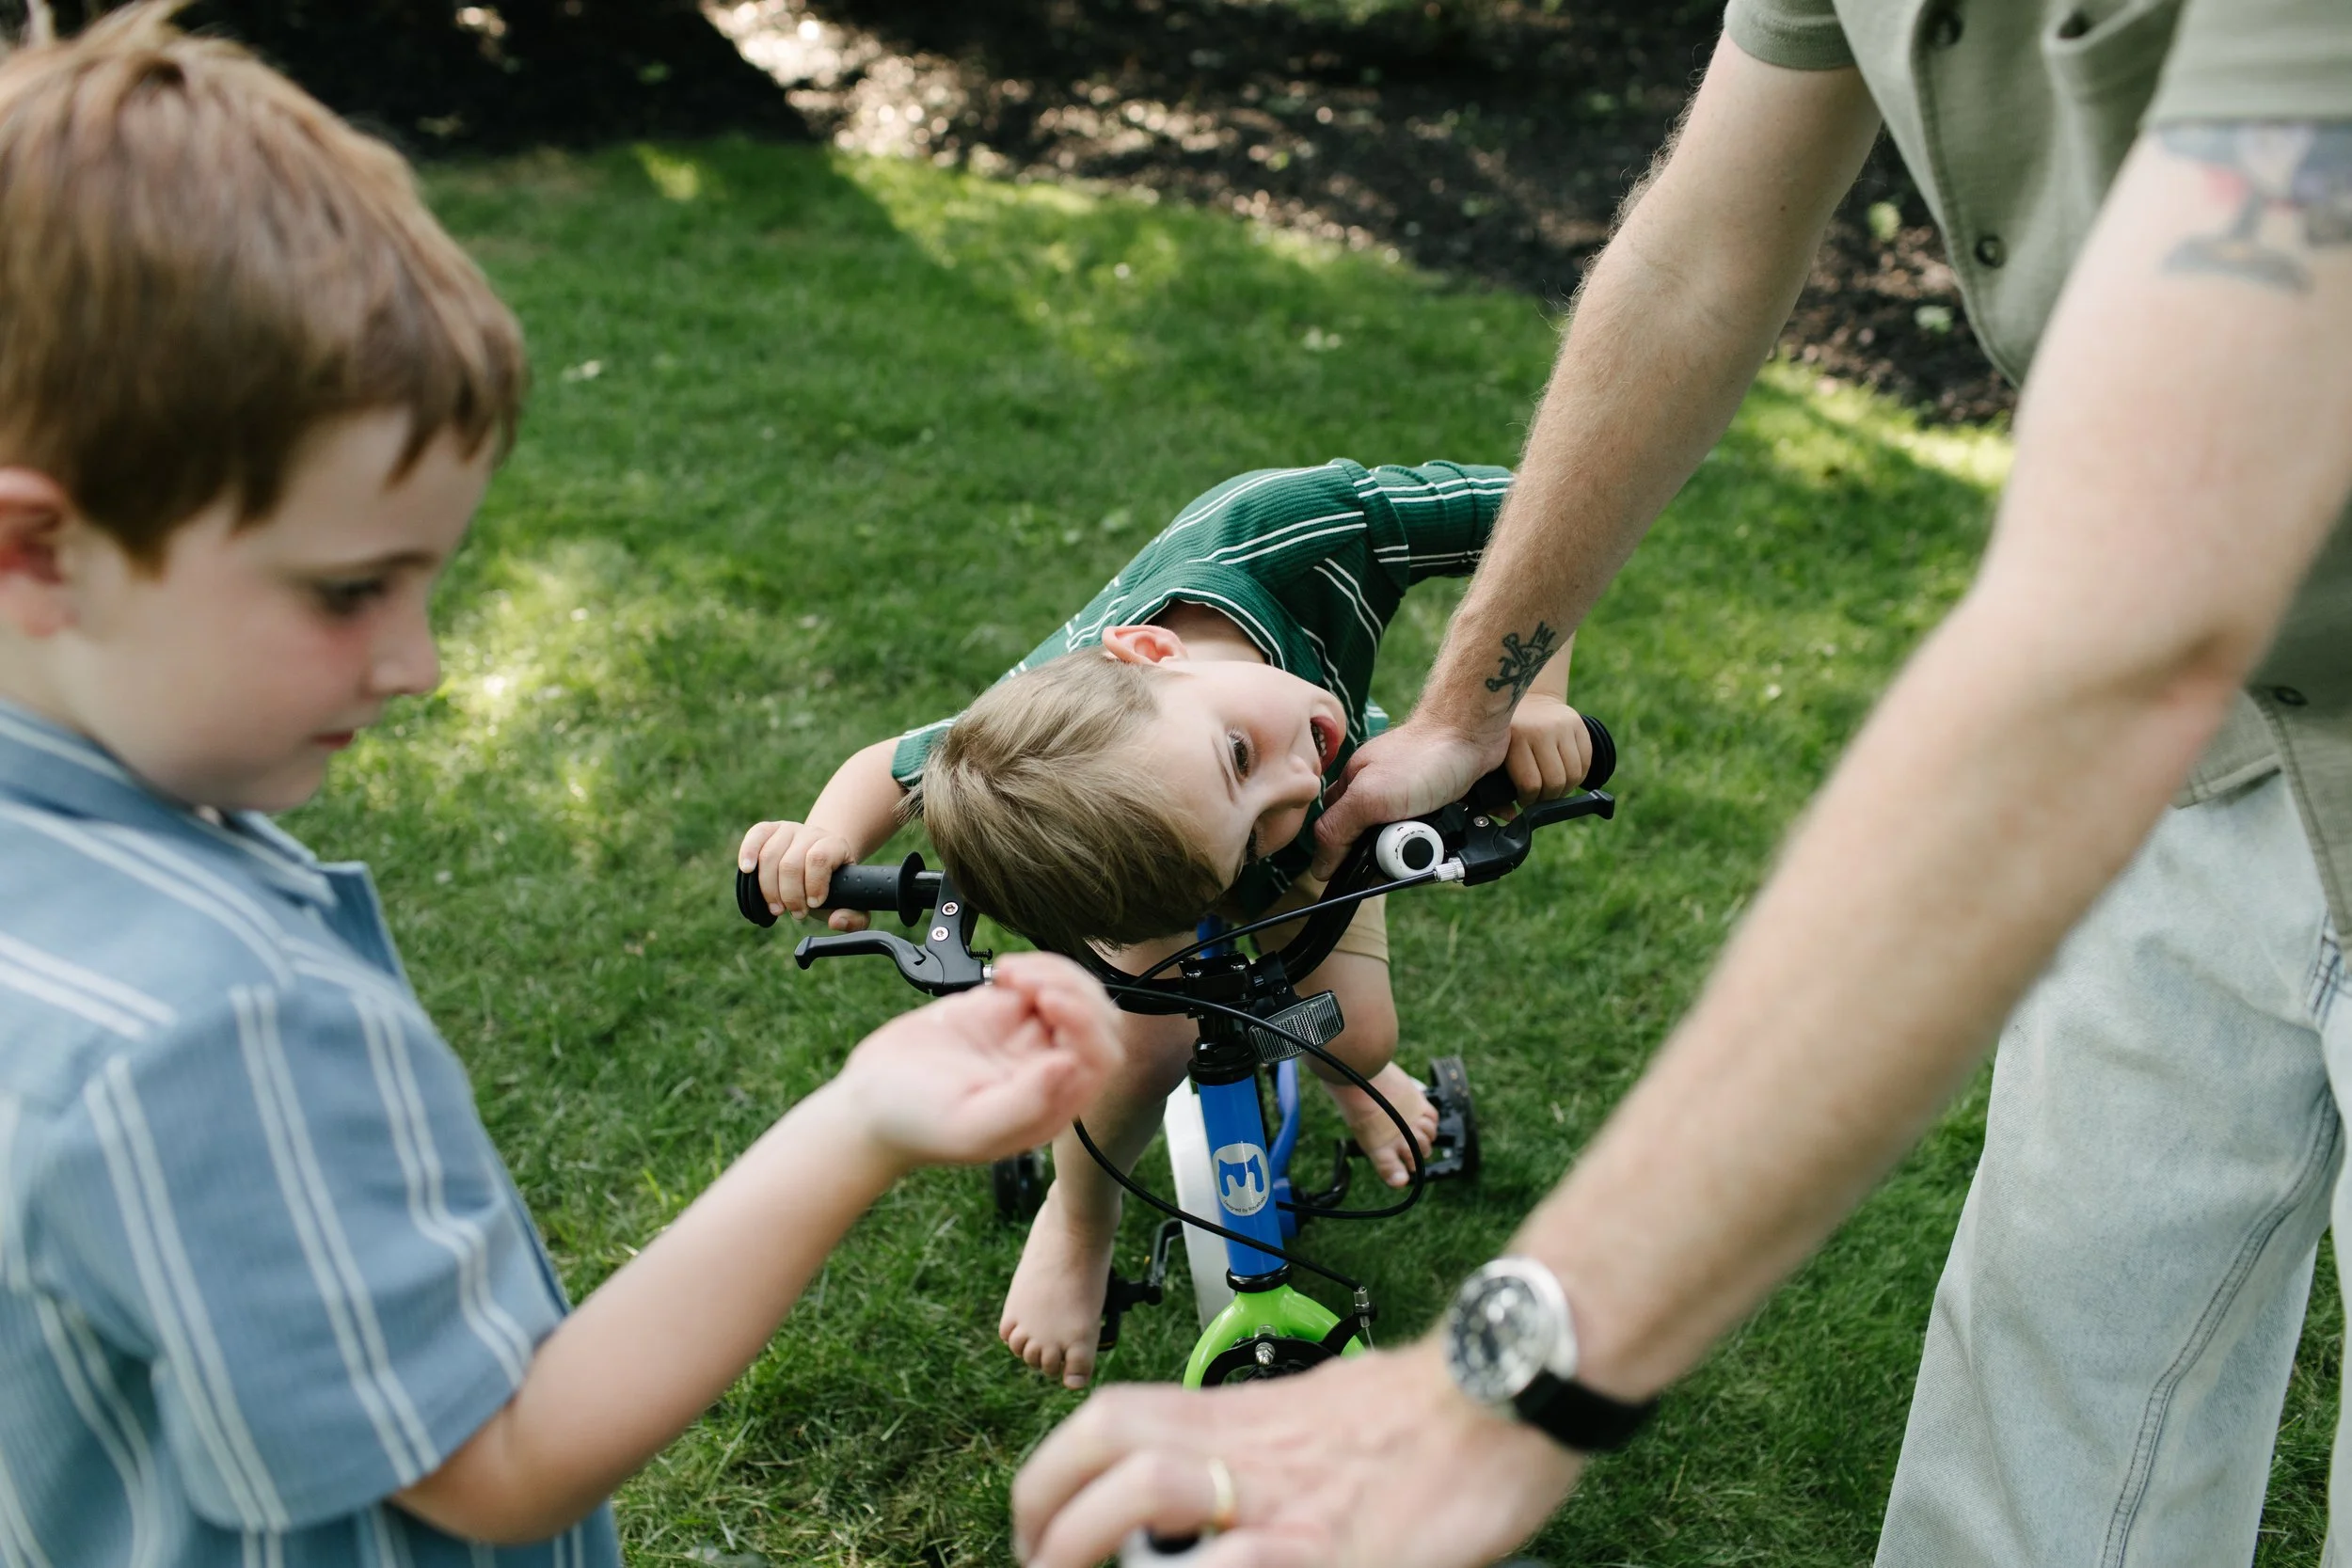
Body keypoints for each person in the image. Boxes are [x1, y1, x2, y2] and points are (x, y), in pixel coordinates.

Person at [1009, 2, 2352, 1563]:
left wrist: (1508, 1374)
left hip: (2173, 675)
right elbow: (1695, 258)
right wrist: (1465, 702)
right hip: (2219, 751)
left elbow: (2123, 626)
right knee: (2045, 1420)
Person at [0, 10, 1120, 1563]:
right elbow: (499, 1460)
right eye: (346, 591)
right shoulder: (206, 1026)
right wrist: (858, 1118)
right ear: (40, 549)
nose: (421, 664)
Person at [739, 459, 1596, 1389]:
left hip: (1317, 815)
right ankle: (1076, 1222)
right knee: (1134, 1049)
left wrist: (1523, 696)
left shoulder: (1296, 529)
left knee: (1358, 1026)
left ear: (1150, 651)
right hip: (1157, 861)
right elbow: (899, 773)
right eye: (1252, 804)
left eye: (1237, 754)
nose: (1293, 781)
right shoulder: (1049, 770)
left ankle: (1357, 1075)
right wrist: (828, 839)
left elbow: (1553, 505)